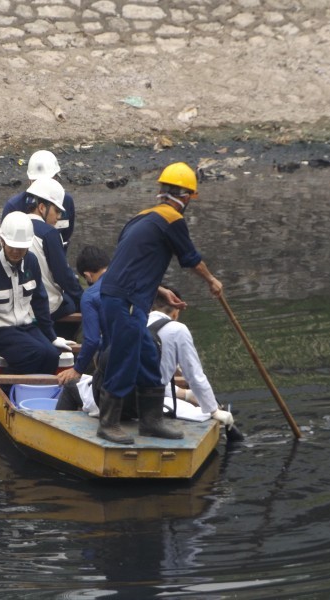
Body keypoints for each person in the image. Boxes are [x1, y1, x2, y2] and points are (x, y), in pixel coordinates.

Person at [98, 162, 223, 444]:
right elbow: (190, 258)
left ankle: (151, 421)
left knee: (147, 356)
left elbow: (133, 262)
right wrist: (212, 281)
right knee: (125, 357)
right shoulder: (171, 219)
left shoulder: (141, 218)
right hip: (126, 300)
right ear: (187, 196)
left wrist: (161, 290)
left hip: (121, 297)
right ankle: (108, 423)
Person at [0, 211, 73, 374]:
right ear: (1, 241)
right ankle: (9, 389)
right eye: (12, 246)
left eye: (21, 248)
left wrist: (52, 336)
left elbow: (40, 300)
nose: (16, 251)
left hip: (25, 327)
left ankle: (38, 392)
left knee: (51, 354)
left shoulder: (32, 262)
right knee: (34, 353)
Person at [147, 288, 235, 430]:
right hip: (145, 405)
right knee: (203, 414)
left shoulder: (132, 322)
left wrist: (186, 394)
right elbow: (194, 376)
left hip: (105, 400)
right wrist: (213, 410)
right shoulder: (177, 329)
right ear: (176, 311)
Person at [23, 178, 84, 322]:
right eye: (56, 211)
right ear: (42, 208)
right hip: (45, 308)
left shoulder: (14, 225)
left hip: (18, 307)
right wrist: (82, 297)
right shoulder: (49, 233)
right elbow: (63, 275)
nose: (58, 217)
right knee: (72, 301)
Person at [56, 245, 110, 386]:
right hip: (144, 351)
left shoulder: (90, 296)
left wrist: (77, 369)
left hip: (114, 359)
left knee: (70, 388)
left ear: (87, 275)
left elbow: (92, 340)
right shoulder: (130, 282)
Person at [1, 150, 75, 251]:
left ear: (56, 180)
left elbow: (66, 237)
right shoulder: (14, 207)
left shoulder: (66, 202)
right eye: (38, 183)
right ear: (29, 181)